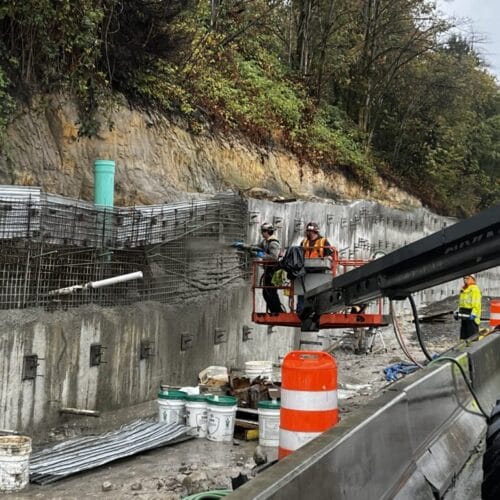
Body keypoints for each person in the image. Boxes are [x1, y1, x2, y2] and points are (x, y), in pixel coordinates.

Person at [233, 222, 283, 314]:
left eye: (263, 231)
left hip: (273, 270)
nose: (262, 233)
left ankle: (278, 312)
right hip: (268, 269)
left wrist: (260, 255)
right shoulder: (265, 241)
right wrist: (244, 246)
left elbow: (274, 257)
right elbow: (256, 247)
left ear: (268, 231)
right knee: (266, 292)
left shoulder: (273, 243)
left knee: (270, 291)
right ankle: (275, 311)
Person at [296, 222, 333, 313]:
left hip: (319, 271)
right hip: (305, 270)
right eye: (307, 231)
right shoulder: (304, 242)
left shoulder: (323, 241)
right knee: (302, 291)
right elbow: (299, 254)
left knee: (318, 292)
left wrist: (328, 257)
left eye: (310, 231)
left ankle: (318, 310)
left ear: (315, 232)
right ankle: (301, 310)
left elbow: (331, 255)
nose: (308, 233)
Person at [454, 274, 482, 340]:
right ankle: (464, 346)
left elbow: (476, 303)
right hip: (464, 315)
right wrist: (457, 312)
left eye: (467, 278)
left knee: (472, 337)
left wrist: (473, 314)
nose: (465, 280)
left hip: (472, 317)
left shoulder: (474, 289)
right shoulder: (464, 289)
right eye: (464, 278)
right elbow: (462, 304)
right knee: (464, 337)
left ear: (472, 279)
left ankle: (473, 346)